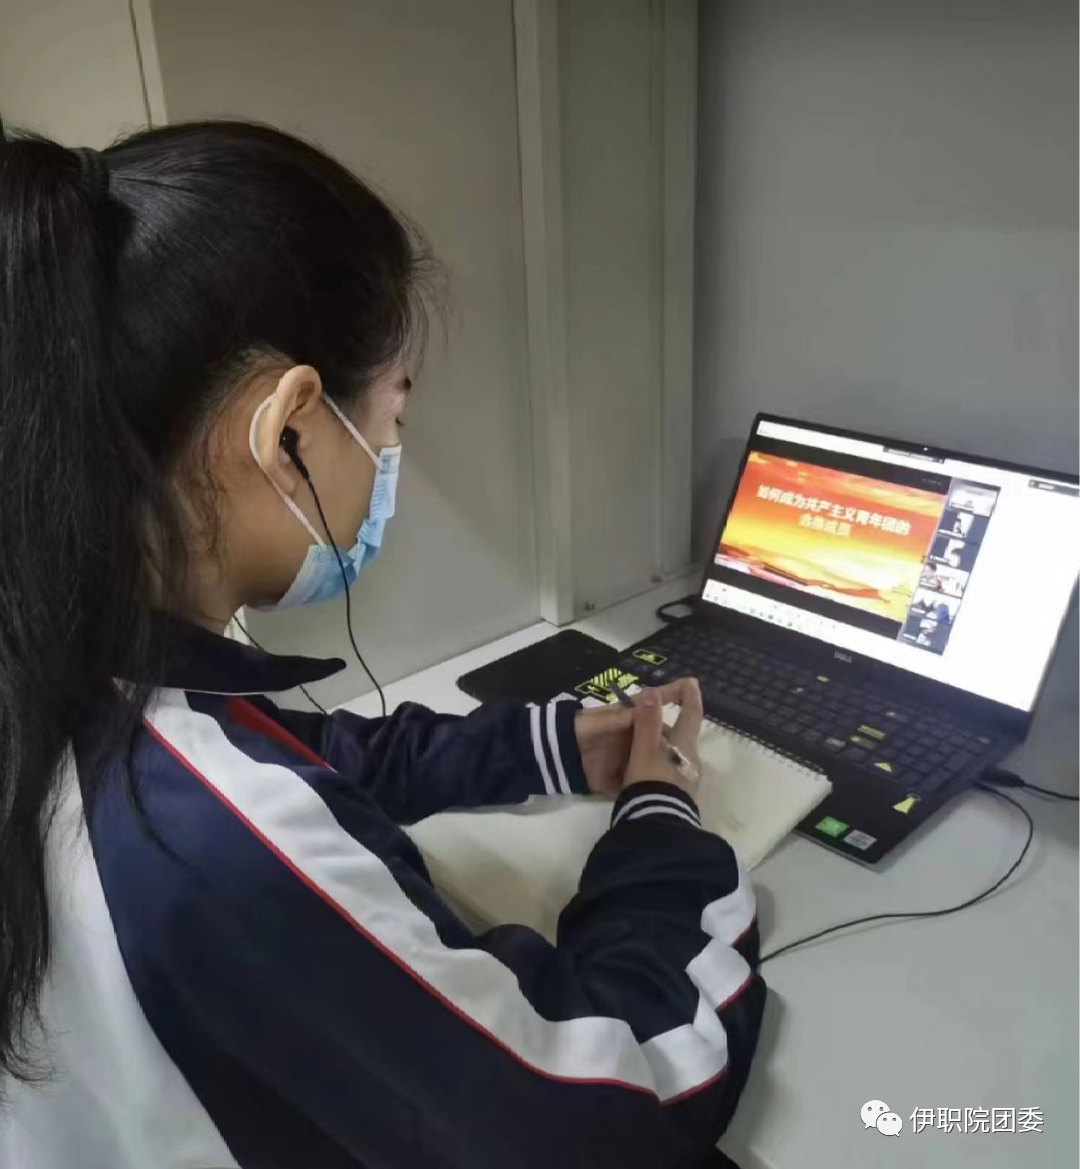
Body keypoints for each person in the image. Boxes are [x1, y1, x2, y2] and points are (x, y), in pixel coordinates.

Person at [0, 123, 764, 1168]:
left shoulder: (61, 667)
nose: (392, 454)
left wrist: (550, 745)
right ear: (288, 431)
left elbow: (306, 755)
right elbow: (613, 1107)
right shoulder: (211, 840)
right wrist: (663, 821)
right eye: (392, 418)